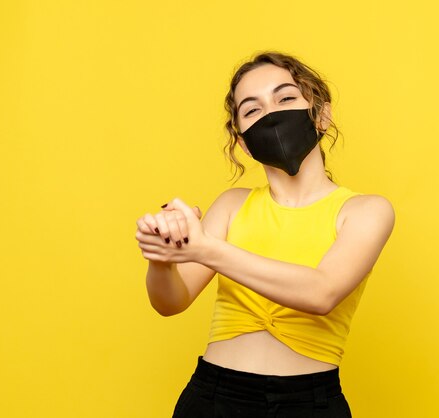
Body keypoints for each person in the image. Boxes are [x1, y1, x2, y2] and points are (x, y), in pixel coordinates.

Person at [135, 51, 395, 417]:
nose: (271, 114)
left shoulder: (366, 211)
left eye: (286, 98)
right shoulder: (231, 205)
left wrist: (205, 249)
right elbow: (170, 303)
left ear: (321, 114)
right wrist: (162, 259)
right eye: (252, 109)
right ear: (243, 141)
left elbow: (322, 292)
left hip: (309, 405)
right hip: (213, 399)